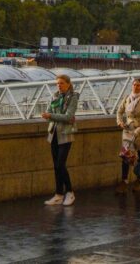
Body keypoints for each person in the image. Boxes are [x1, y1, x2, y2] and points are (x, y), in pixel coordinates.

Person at [42, 74, 79, 206]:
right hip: (54, 134)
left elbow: (68, 116)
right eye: (57, 83)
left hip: (65, 134)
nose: (59, 85)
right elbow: (48, 112)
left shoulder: (73, 96)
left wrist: (51, 116)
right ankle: (58, 194)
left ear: (68, 84)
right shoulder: (55, 96)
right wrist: (53, 116)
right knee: (55, 166)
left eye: (62, 83)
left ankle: (70, 192)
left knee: (60, 164)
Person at [116, 78, 140, 192]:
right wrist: (119, 122)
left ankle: (139, 181)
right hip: (128, 131)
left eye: (138, 85)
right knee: (126, 157)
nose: (135, 87)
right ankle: (124, 181)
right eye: (134, 85)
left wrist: (139, 130)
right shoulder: (127, 98)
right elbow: (119, 111)